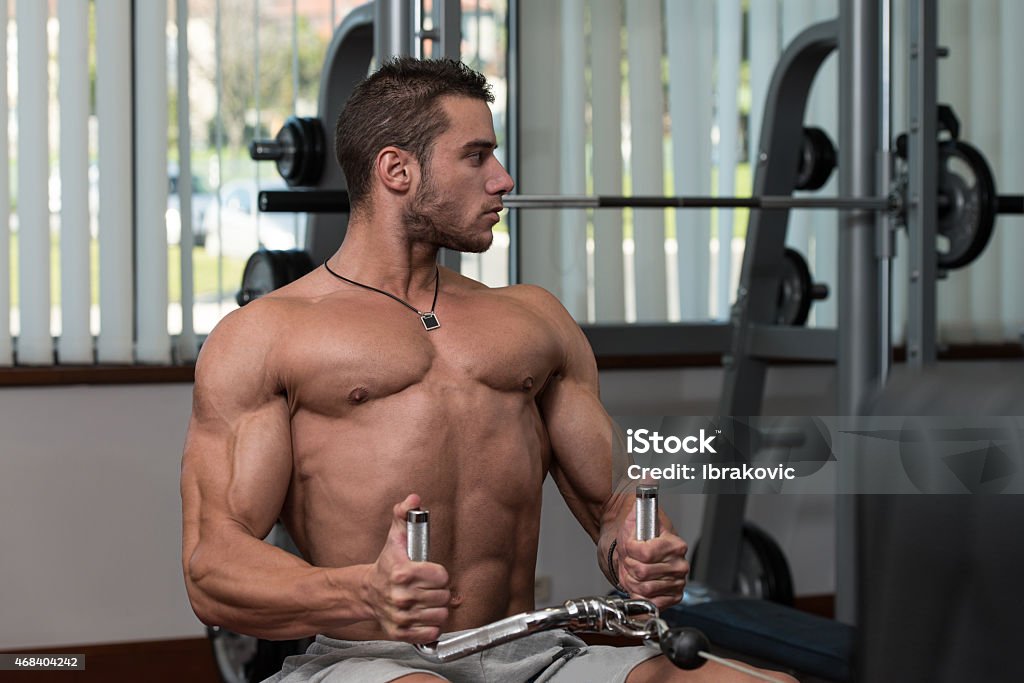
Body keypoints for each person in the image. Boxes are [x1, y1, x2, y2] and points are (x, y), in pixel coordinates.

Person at [181, 57, 793, 683]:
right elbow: (213, 567)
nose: (502, 179)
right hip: (372, 661)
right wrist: (362, 593)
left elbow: (611, 503)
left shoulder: (533, 320)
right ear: (397, 170)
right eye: (476, 156)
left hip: (532, 649)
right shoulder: (266, 336)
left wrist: (638, 553)